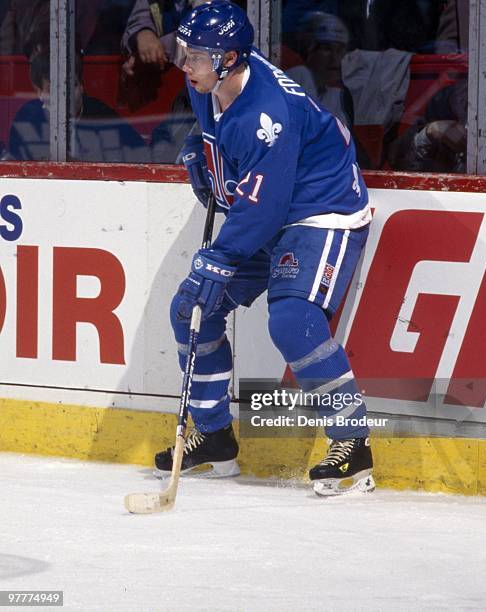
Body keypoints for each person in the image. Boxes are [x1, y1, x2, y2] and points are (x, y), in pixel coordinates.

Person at [155, 1, 375, 497]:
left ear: (229, 59)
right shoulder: (206, 84)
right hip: (271, 209)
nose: (185, 64)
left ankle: (353, 442)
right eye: (183, 52)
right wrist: (201, 150)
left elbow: (266, 208)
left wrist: (216, 260)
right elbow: (229, 151)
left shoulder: (267, 113)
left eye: (196, 56)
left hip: (321, 209)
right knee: (191, 307)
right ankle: (213, 438)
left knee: (293, 320)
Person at [8, 52, 149, 162]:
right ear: (40, 92)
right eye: (53, 89)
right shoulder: (27, 117)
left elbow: (142, 158)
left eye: (71, 85)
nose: (64, 95)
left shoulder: (103, 116)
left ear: (81, 86)